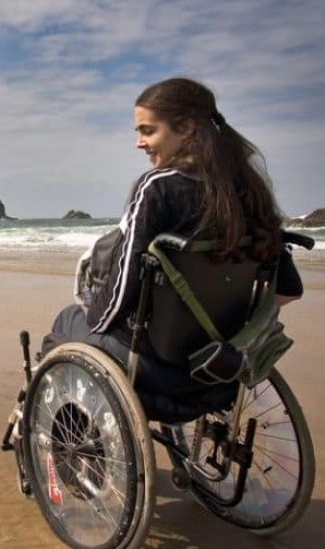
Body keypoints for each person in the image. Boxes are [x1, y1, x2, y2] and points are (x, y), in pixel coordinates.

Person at [41, 77, 303, 421]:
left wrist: (92, 314)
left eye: (148, 131)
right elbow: (288, 290)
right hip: (219, 369)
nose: (139, 143)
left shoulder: (159, 188)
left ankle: (65, 433)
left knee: (69, 319)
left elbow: (117, 303)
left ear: (186, 129)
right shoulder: (249, 191)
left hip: (155, 374)